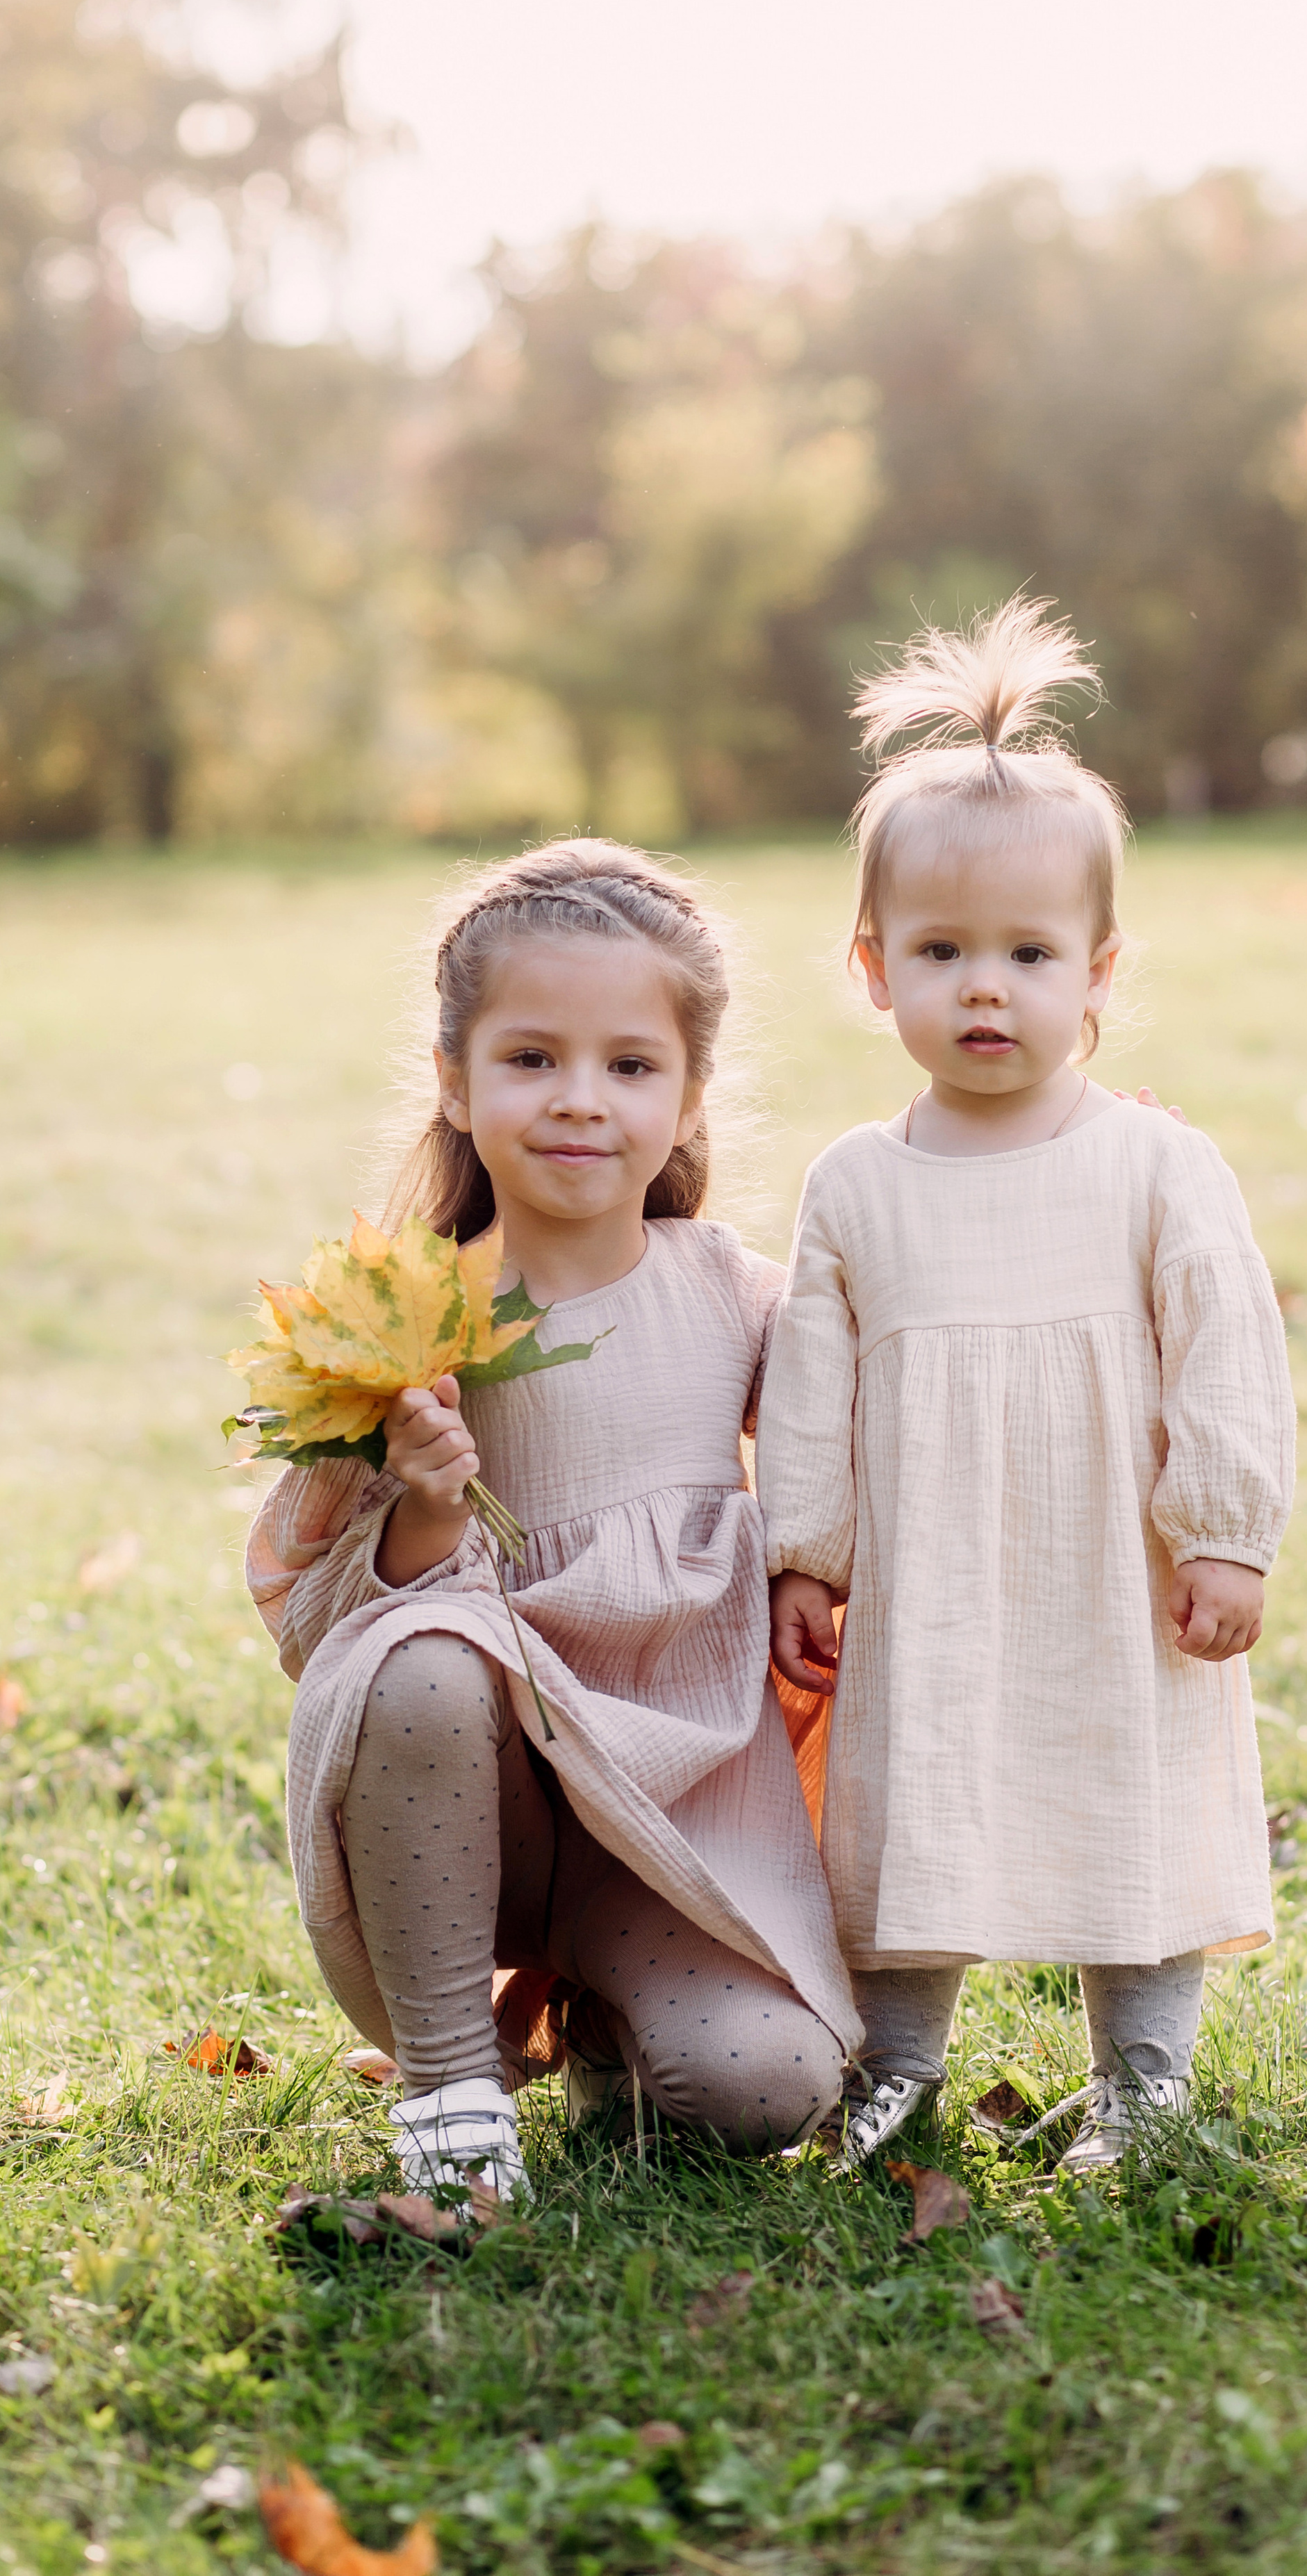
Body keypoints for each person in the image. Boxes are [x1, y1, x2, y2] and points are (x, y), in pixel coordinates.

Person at [758, 600, 1296, 2173]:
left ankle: (1142, 2077)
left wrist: (1221, 1528)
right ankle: (893, 2067)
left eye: (1025, 955)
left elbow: (1224, 1341)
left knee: (1122, 1787)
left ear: (1097, 970)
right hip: (929, 1568)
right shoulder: (856, 1183)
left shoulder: (1149, 1161)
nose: (982, 991)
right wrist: (805, 1547)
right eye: (939, 953)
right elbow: (810, 1379)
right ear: (873, 970)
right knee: (908, 1795)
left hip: (1108, 1564)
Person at [247, 841, 858, 2210]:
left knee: (764, 2093)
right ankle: (456, 2101)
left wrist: (1060, 1172)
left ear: (689, 1099)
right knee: (424, 1655)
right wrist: (426, 1505)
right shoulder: (402, 1323)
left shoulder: (738, 1301)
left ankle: (605, 2015)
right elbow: (314, 1623)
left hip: (675, 1808)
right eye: (531, 1059)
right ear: (456, 1084)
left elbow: (871, 1443)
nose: (580, 1101)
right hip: (480, 1806)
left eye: (630, 1067)